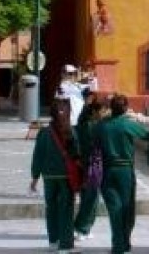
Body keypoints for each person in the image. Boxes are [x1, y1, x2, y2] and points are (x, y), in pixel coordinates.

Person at [95, 94, 149, 254]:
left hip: (106, 170)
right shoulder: (127, 124)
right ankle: (124, 242)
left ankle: (118, 244)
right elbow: (147, 135)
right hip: (125, 171)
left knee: (114, 208)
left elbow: (92, 140)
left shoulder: (101, 125)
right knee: (126, 208)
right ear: (125, 108)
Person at [30, 98, 81, 253]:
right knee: (66, 209)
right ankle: (65, 245)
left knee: (51, 208)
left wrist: (34, 177)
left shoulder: (44, 133)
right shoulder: (71, 131)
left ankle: (53, 240)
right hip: (66, 177)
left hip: (49, 177)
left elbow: (37, 155)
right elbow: (77, 155)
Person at [74, 97, 103, 241]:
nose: (102, 114)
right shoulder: (92, 127)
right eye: (101, 111)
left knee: (88, 197)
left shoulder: (81, 125)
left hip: (82, 165)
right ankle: (81, 228)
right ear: (94, 112)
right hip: (92, 166)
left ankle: (83, 227)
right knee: (91, 199)